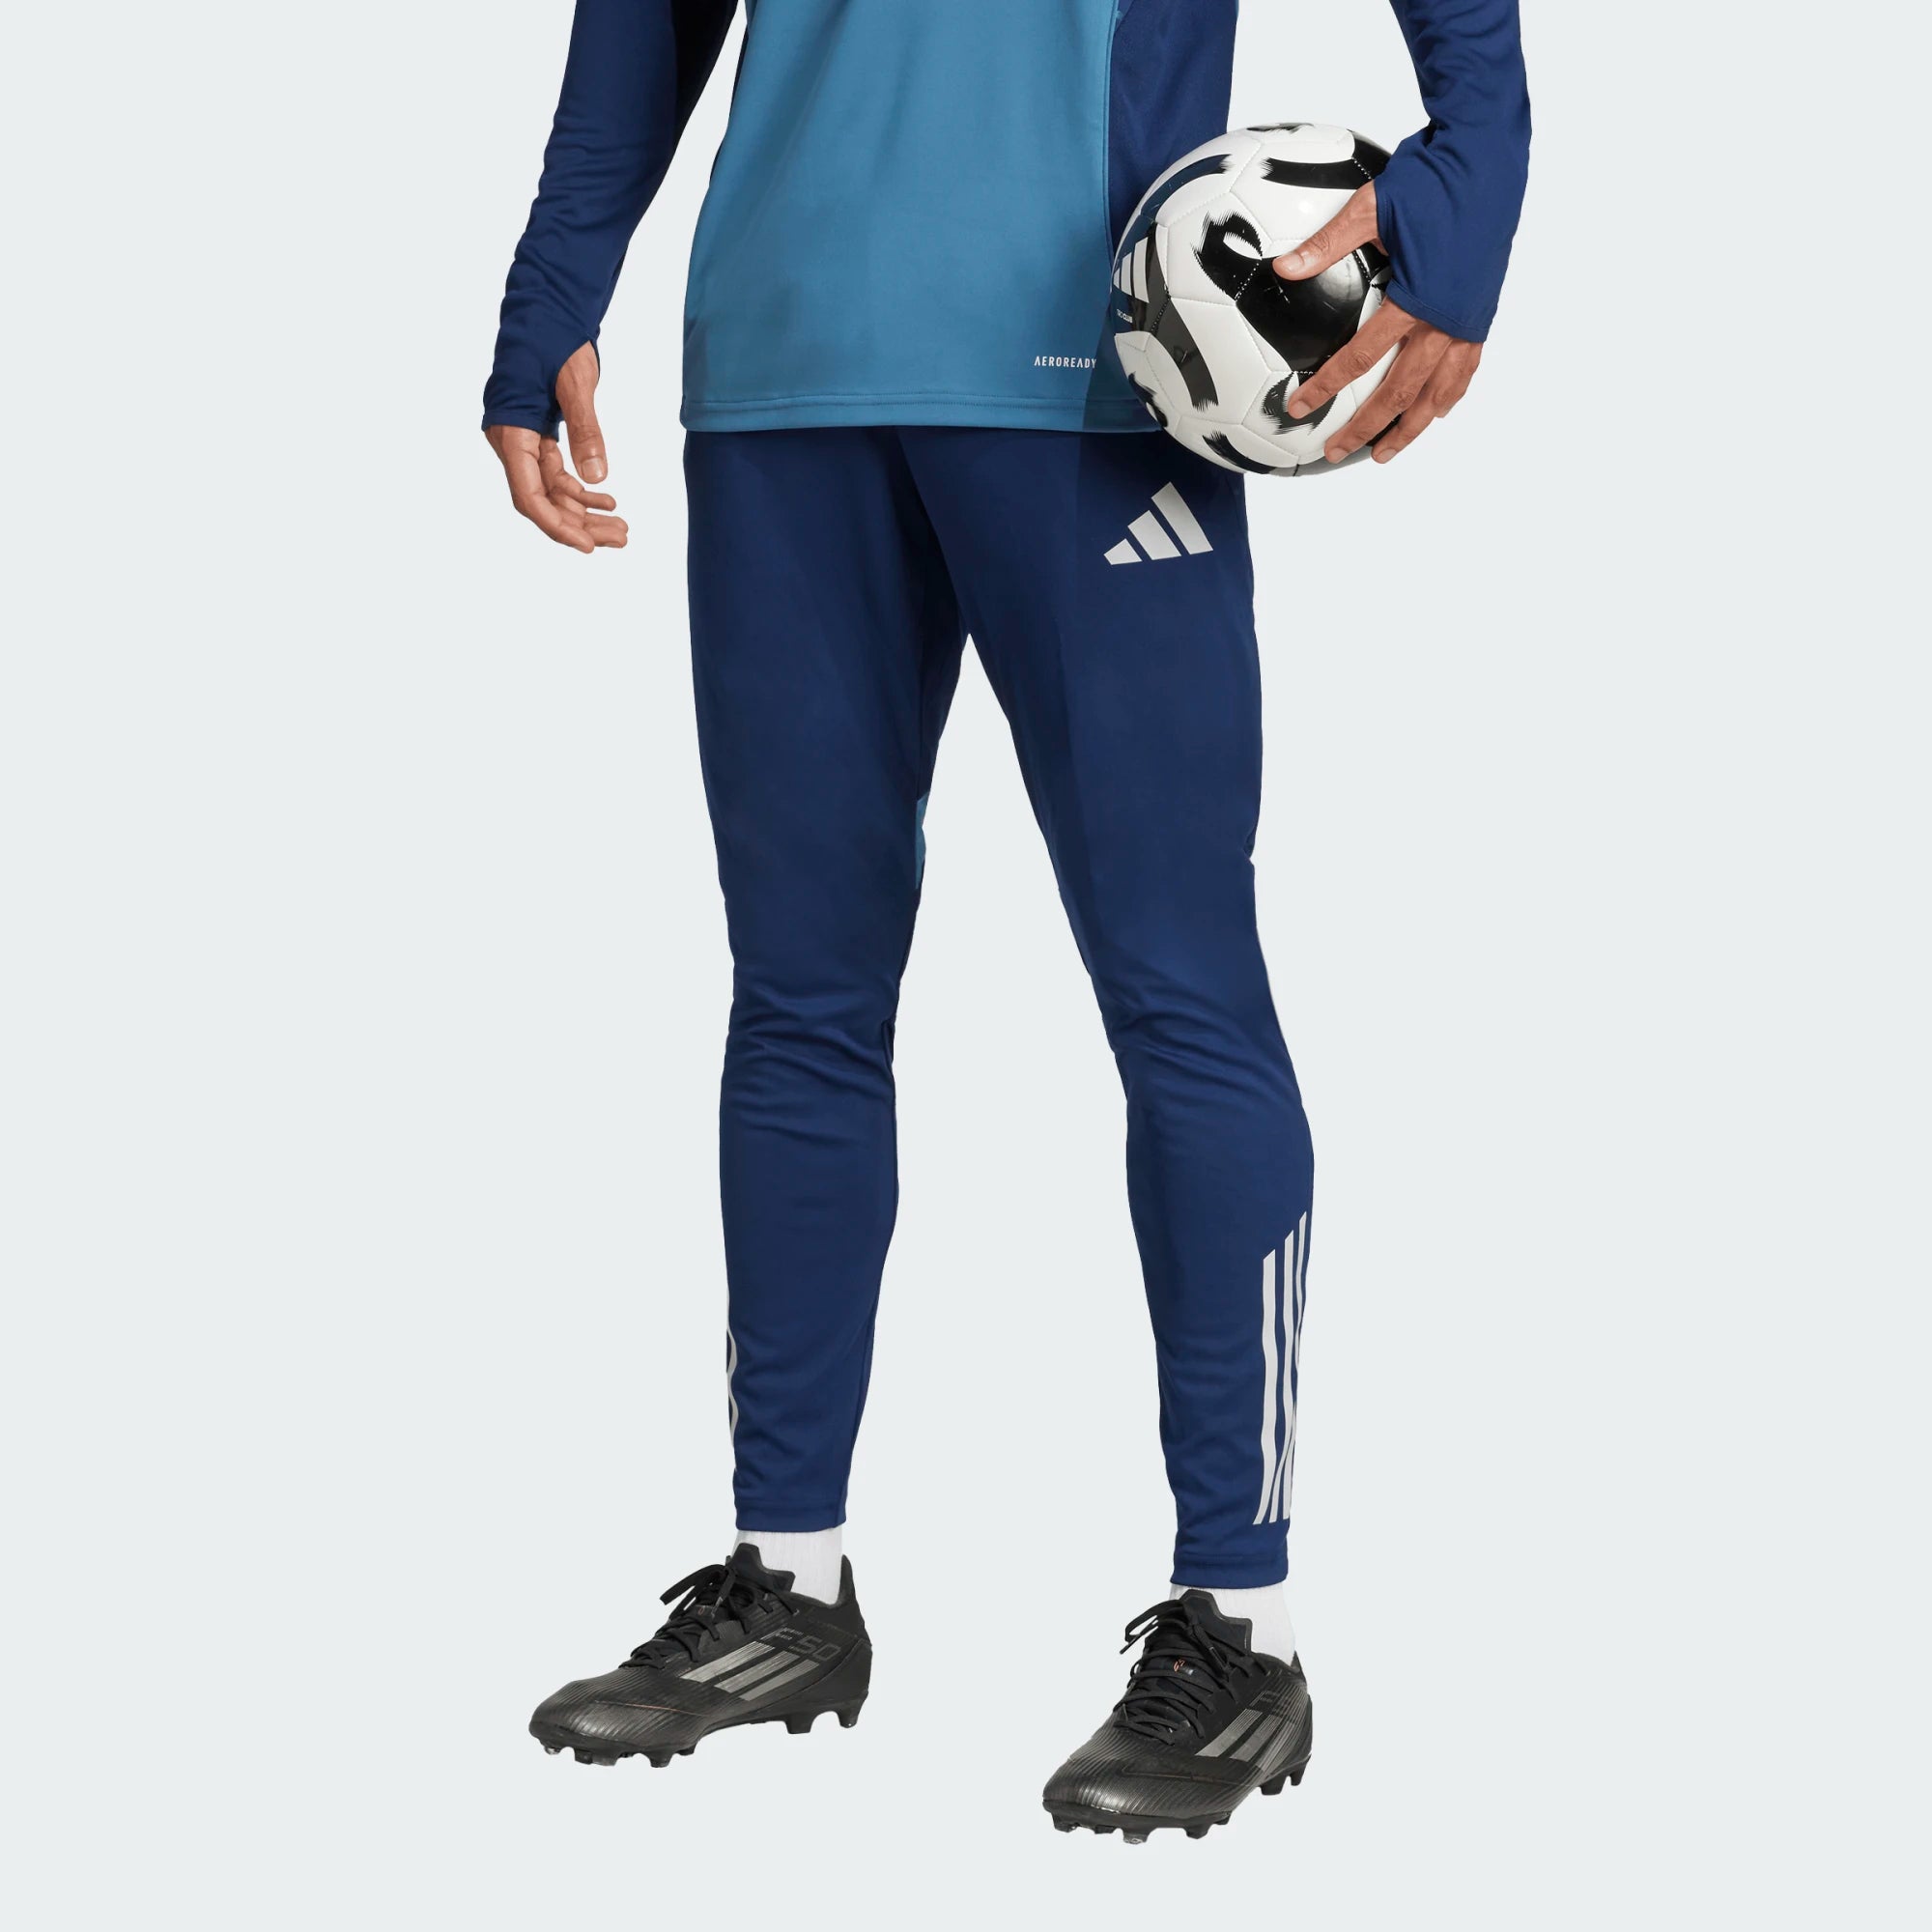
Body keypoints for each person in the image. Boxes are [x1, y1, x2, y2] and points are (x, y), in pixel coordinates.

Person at [484, 0, 1527, 1841]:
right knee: (798, 1000)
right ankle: (788, 1585)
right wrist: (556, 280)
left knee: (1182, 996)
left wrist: (1476, 181)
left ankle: (1242, 1626)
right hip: (784, 362)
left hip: (1100, 375)